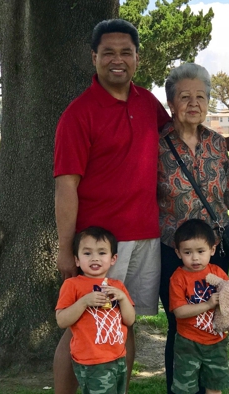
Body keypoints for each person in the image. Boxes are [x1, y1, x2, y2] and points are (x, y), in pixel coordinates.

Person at [53, 19, 170, 394]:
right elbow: (65, 187)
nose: (117, 60)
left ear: (137, 58)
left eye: (125, 52)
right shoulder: (78, 113)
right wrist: (65, 247)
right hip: (97, 247)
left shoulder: (147, 102)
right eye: (108, 53)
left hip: (145, 236)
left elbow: (181, 136)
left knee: (124, 324)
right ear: (94, 58)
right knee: (78, 327)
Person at [157, 63, 229, 394]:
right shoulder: (155, 146)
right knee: (180, 324)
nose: (193, 103)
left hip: (214, 254)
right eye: (185, 97)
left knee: (214, 322)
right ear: (171, 103)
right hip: (173, 253)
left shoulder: (215, 143)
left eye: (200, 96)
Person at [55, 226, 136, 394]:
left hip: (117, 358)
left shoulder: (117, 286)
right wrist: (84, 302)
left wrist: (122, 298)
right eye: (87, 253)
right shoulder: (72, 285)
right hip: (91, 360)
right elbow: (62, 320)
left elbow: (129, 320)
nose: (95, 258)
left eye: (101, 253)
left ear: (113, 259)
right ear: (76, 260)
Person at [170, 219, 229, 394]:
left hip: (216, 340)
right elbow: (179, 311)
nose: (195, 258)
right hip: (188, 342)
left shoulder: (217, 273)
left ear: (212, 249)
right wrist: (208, 304)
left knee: (215, 387)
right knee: (185, 388)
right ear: (178, 252)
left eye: (201, 251)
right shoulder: (178, 278)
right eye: (187, 252)